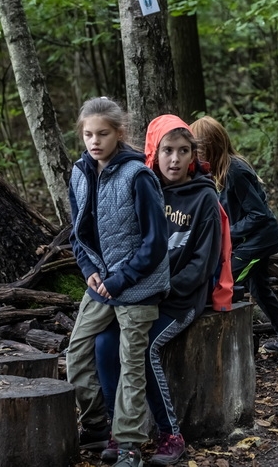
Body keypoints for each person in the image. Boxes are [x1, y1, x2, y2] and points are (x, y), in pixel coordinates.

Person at [94, 114, 222, 465]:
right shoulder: (144, 185)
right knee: (104, 342)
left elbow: (203, 263)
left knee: (145, 347)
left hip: (181, 299)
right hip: (139, 295)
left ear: (193, 155)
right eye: (168, 150)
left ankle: (170, 433)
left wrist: (165, 291)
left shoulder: (204, 198)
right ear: (154, 151)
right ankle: (118, 428)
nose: (175, 159)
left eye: (183, 151)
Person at [66, 97, 170, 467]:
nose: (95, 142)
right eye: (88, 134)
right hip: (101, 282)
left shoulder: (138, 175)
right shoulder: (79, 172)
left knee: (130, 363)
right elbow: (76, 234)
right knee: (76, 354)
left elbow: (156, 241)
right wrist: (87, 270)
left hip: (138, 285)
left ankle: (128, 445)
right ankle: (96, 426)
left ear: (119, 133)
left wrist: (122, 277)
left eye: (103, 134)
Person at [190, 115, 278, 361]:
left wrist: (226, 233)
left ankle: (234, 348)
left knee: (226, 285)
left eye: (197, 147)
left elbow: (259, 215)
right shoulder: (214, 172)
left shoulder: (235, 171)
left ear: (212, 144)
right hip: (248, 241)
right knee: (260, 291)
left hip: (258, 242)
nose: (194, 153)